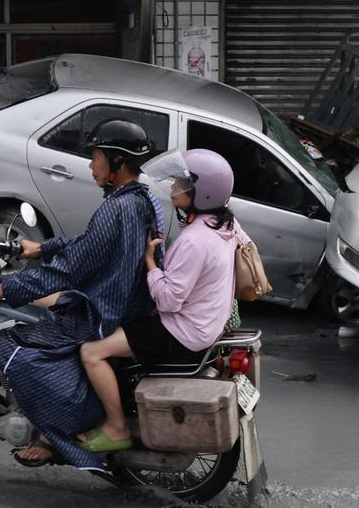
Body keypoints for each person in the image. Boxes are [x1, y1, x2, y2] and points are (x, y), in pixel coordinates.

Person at [0, 118, 162, 471]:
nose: (91, 164)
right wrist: (43, 249)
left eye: (97, 156)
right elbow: (89, 246)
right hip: (128, 304)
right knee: (45, 310)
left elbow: (69, 270)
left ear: (117, 162)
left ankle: (51, 435)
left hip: (105, 313)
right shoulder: (143, 201)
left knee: (18, 347)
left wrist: (3, 287)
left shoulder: (114, 208)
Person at [76, 148, 246, 453]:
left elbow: (168, 300)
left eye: (182, 184)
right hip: (207, 324)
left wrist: (151, 263)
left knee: (91, 351)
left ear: (202, 194)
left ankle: (116, 427)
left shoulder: (194, 239)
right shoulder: (226, 226)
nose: (173, 188)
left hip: (182, 332)